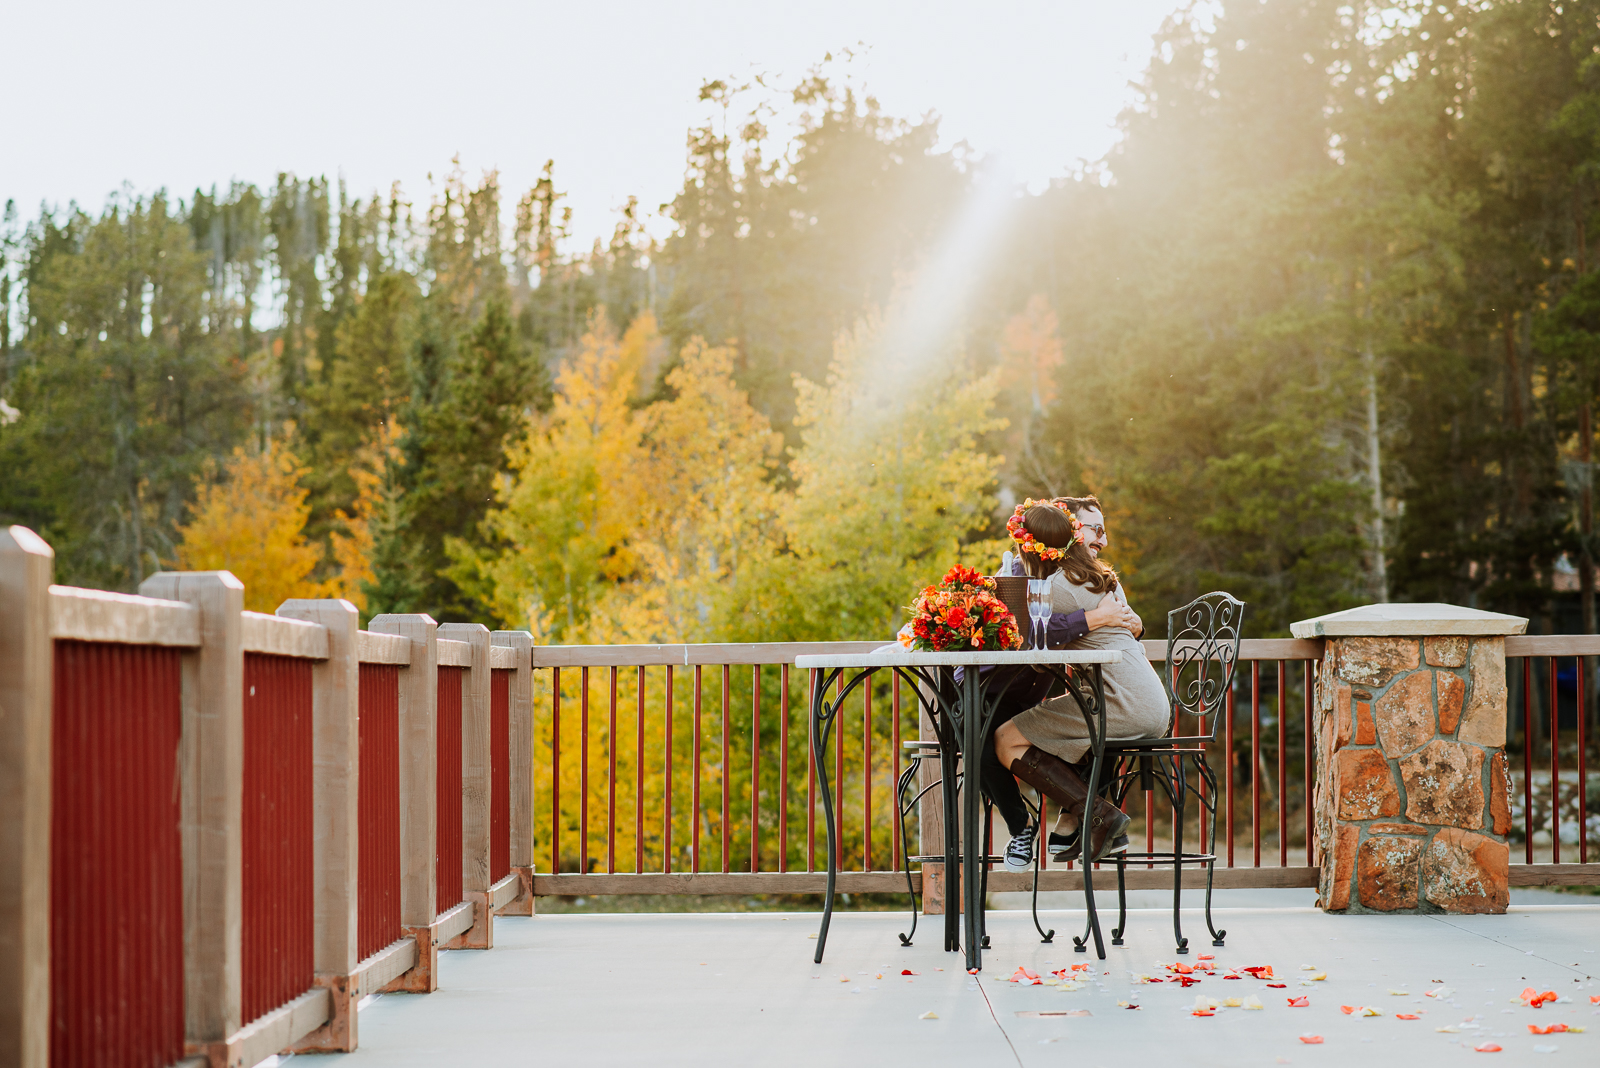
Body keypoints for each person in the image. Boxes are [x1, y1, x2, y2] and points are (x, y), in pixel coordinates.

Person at [993, 502, 1169, 863]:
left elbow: (1022, 632)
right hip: (1149, 703)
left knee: (1005, 738)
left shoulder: (1057, 587)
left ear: (1028, 545)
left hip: (1123, 703)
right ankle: (1083, 818)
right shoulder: (1089, 575)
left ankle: (1099, 815)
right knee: (1042, 726)